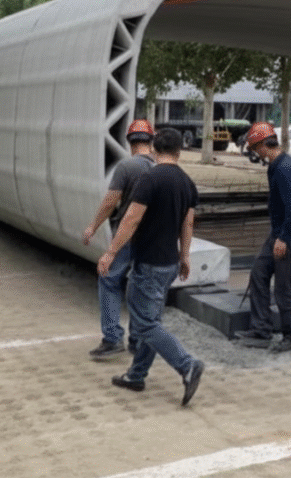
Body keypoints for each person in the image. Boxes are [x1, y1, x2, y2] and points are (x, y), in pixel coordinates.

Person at [98, 128, 204, 406]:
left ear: (155, 149)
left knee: (145, 324)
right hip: (169, 263)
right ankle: (136, 375)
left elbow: (131, 219)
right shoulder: (187, 183)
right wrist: (185, 257)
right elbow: (188, 223)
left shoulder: (150, 178)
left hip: (149, 263)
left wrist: (111, 252)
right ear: (179, 151)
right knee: (150, 322)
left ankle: (187, 365)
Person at [82, 119, 155, 360]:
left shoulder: (126, 167)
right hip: (151, 239)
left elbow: (111, 201)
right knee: (140, 287)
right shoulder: (159, 167)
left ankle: (112, 338)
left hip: (126, 237)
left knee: (108, 279)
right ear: (150, 140)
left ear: (129, 141)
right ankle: (138, 341)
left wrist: (93, 226)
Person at [234, 122, 291, 352]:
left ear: (263, 145)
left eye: (254, 148)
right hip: (279, 232)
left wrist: (283, 239)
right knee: (259, 273)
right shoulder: (277, 165)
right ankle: (260, 330)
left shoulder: (284, 168)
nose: (254, 153)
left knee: (283, 288)